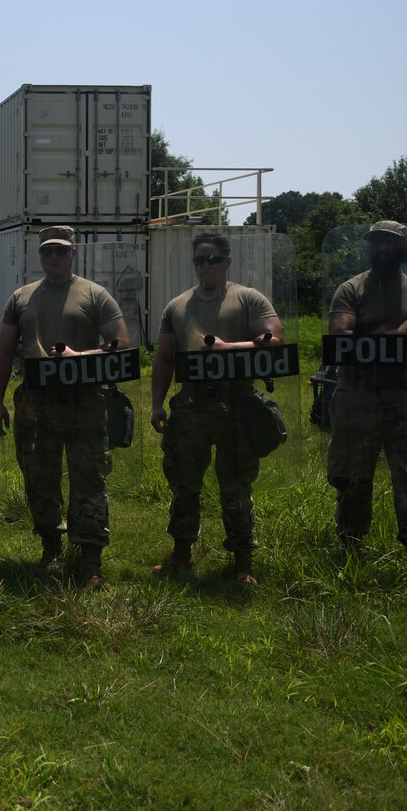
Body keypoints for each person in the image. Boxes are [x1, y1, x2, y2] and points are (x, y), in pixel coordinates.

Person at [0, 226, 128, 588]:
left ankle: (89, 561)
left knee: (89, 479)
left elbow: (120, 345)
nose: (53, 258)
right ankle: (51, 548)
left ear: (73, 254)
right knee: (39, 477)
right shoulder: (21, 298)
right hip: (36, 403)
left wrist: (79, 356)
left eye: (60, 252)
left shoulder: (95, 295)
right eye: (47, 252)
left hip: (84, 401)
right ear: (40, 255)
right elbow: (4, 351)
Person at [149, 234, 283, 584]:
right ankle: (181, 553)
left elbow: (273, 340)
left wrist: (228, 348)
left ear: (228, 260)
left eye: (212, 258)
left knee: (236, 486)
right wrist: (156, 404)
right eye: (199, 260)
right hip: (191, 406)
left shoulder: (248, 299)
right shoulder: (177, 306)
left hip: (237, 404)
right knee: (184, 484)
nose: (205, 265)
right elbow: (164, 359)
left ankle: (242, 561)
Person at [324, 220, 407, 560]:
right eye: (376, 243)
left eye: (390, 243)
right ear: (369, 247)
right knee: (352, 480)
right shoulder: (351, 289)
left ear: (403, 249)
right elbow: (338, 341)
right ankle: (350, 550)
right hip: (357, 398)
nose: (382, 249)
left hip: (405, 401)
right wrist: (393, 336)